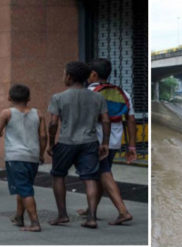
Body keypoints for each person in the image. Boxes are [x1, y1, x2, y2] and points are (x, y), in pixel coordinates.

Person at [47, 61, 110, 229]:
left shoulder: (58, 97)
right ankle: (92, 218)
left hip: (66, 142)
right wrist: (105, 143)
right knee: (90, 179)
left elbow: (53, 123)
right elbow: (105, 120)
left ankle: (62, 215)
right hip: (90, 142)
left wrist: (51, 142)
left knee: (59, 175)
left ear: (68, 76)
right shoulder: (98, 97)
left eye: (63, 74)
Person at [76, 58, 136, 225]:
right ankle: (91, 208)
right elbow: (130, 120)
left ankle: (123, 211)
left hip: (96, 140)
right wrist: (131, 145)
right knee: (100, 173)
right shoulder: (122, 92)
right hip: (115, 141)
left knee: (104, 172)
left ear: (93, 74)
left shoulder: (88, 93)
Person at [0, 84, 47, 232]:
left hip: (15, 157)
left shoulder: (7, 113)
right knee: (23, 186)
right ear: (29, 98)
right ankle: (19, 217)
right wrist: (41, 154)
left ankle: (35, 222)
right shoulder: (38, 114)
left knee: (25, 189)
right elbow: (43, 136)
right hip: (32, 157)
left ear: (9, 98)